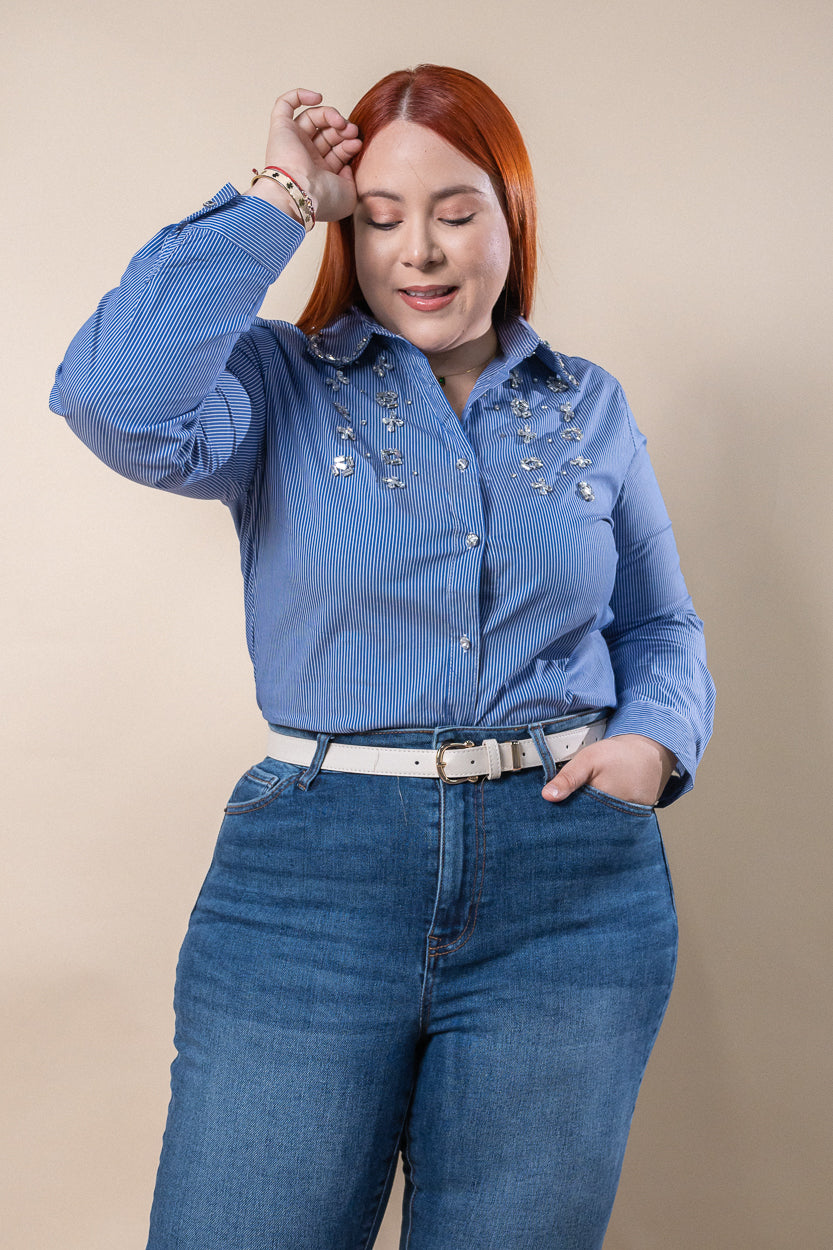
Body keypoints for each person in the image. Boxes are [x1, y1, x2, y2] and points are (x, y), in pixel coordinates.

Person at [50, 65, 714, 1250]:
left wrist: (652, 743)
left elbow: (658, 625)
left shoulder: (589, 405)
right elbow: (114, 399)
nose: (420, 250)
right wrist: (277, 198)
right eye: (380, 217)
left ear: (511, 215)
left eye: (456, 211)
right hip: (311, 879)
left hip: (567, 890)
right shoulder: (274, 383)